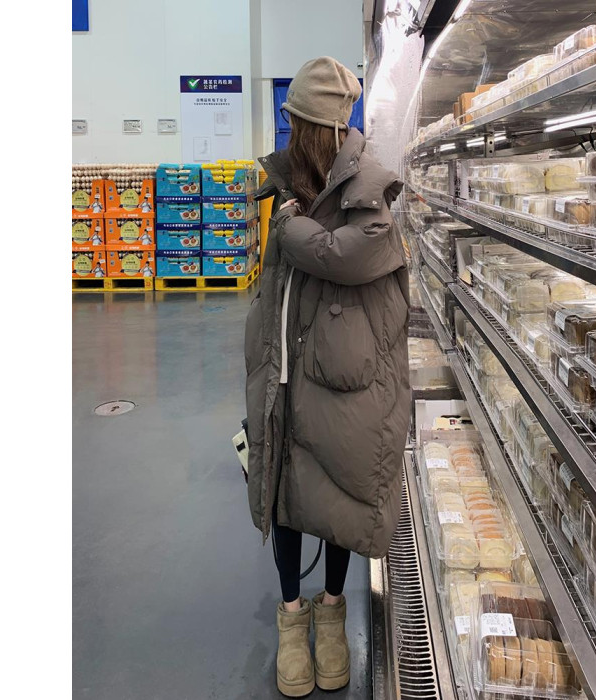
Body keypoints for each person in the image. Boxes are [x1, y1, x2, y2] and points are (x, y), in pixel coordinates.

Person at [244, 56, 410, 697]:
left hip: (342, 377)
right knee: (285, 493)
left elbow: (348, 255)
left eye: (299, 125)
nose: (291, 135)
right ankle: (292, 618)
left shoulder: (368, 193)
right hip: (285, 370)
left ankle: (333, 612)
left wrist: (288, 227)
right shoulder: (286, 187)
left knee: (339, 489)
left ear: (322, 129)